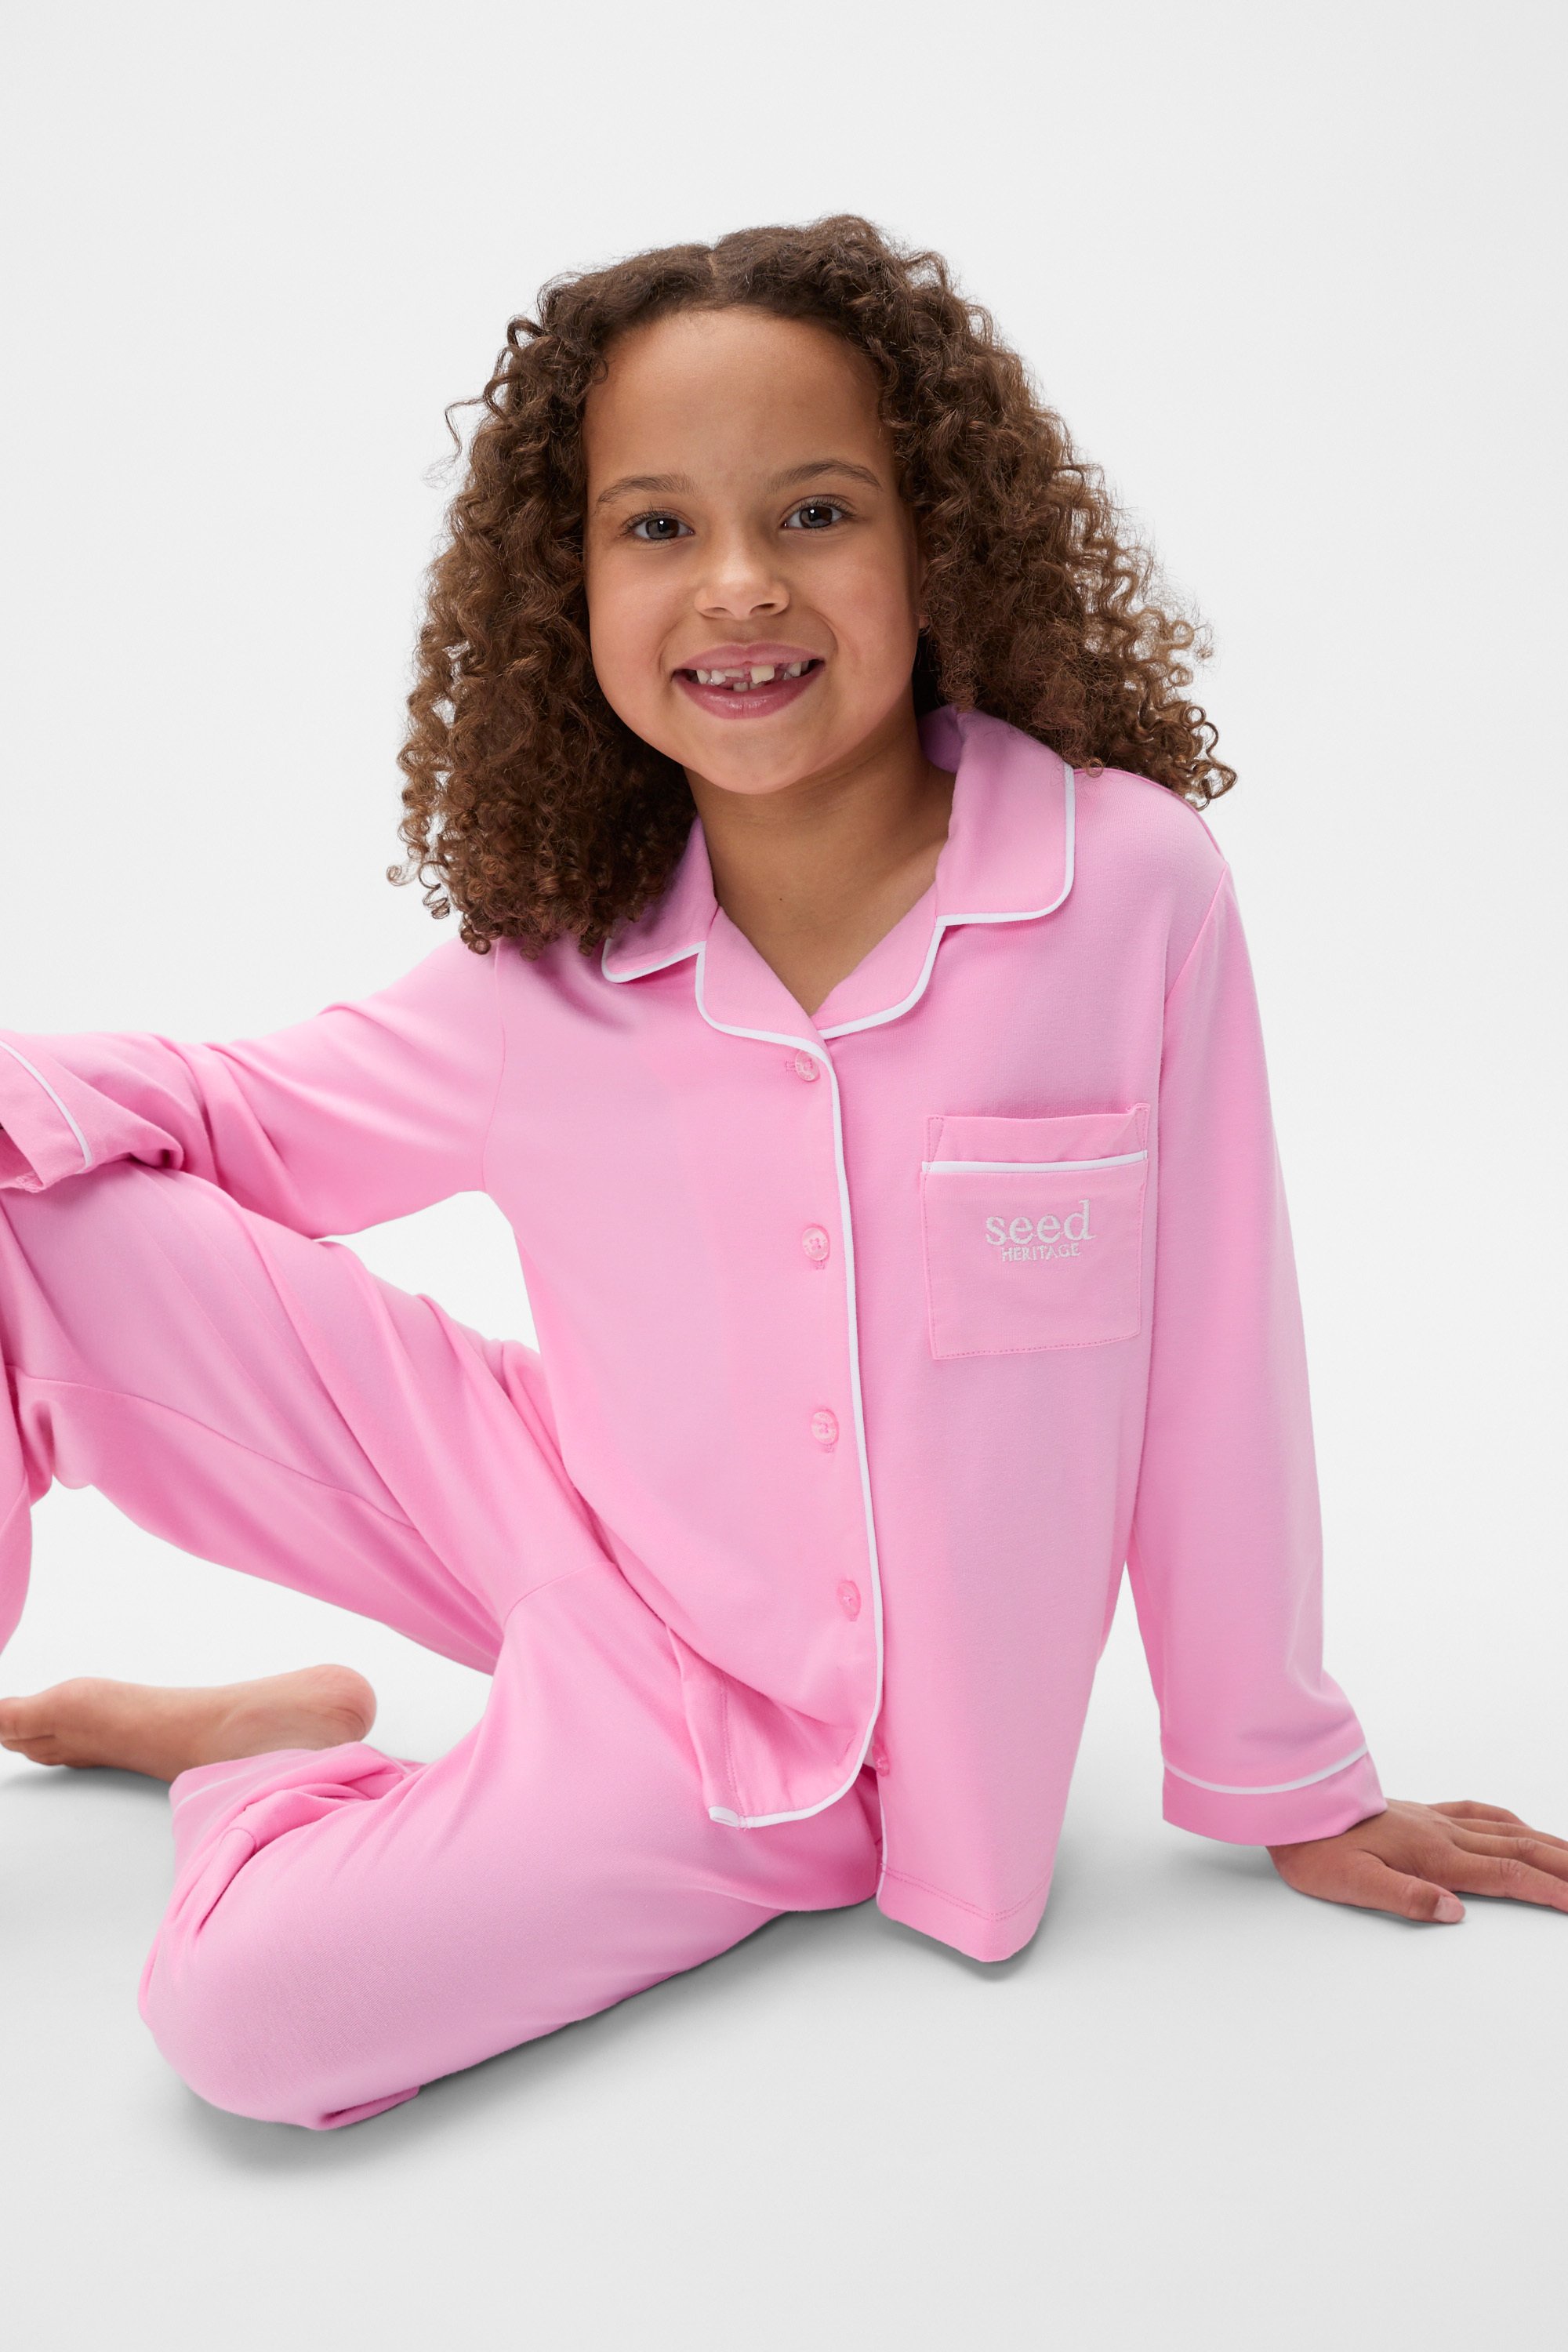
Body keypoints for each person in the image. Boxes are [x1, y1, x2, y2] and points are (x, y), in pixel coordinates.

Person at [2, 216, 1562, 2132]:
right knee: (33, 1207)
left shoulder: (1124, 890)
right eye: (656, 526)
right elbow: (228, 1114)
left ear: (937, 546)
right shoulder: (555, 971)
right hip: (544, 1509)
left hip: (746, 1733)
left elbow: (1217, 1363)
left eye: (815, 512)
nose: (737, 584)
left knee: (248, 2024)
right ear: (569, 591)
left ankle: (264, 1766)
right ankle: (318, 1735)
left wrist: (1282, 1776)